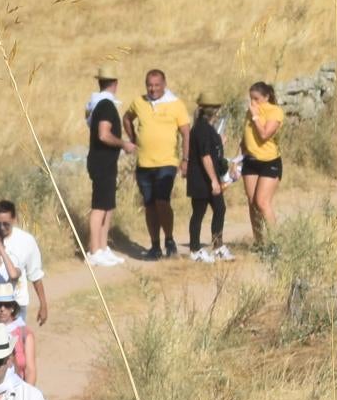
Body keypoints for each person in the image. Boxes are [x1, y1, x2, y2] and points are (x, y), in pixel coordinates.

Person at [121, 66, 192, 260]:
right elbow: (126, 118)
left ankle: (169, 238)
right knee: (149, 204)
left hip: (167, 162)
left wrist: (185, 159)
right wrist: (133, 137)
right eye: (149, 85)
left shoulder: (175, 104)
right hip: (144, 163)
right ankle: (155, 245)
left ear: (164, 85)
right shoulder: (139, 102)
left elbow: (186, 133)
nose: (153, 89)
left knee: (162, 201)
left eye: (157, 85)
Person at [82, 71, 127, 266]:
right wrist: (124, 144)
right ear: (115, 83)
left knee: (108, 205)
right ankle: (94, 250)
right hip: (103, 162)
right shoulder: (106, 105)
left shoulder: (97, 103)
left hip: (104, 161)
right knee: (100, 206)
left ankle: (102, 246)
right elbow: (104, 135)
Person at [238, 80, 286, 249]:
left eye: (256, 98)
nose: (253, 102)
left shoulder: (275, 112)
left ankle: (275, 243)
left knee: (262, 202)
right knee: (252, 202)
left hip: (269, 162)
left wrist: (256, 116)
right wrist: (237, 159)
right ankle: (259, 242)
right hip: (250, 161)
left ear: (266, 97)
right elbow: (245, 138)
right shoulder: (249, 112)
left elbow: (265, 134)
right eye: (251, 98)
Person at [0, 200, 49, 328]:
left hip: (17, 304)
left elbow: (35, 275)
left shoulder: (26, 241)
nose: (2, 228)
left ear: (14, 219)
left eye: (6, 224)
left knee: (16, 344)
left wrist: (43, 305)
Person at [185, 98, 232, 262]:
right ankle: (195, 249)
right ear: (216, 111)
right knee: (198, 213)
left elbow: (211, 152)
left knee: (220, 208)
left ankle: (218, 246)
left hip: (207, 178)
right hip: (201, 179)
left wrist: (219, 141)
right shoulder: (202, 129)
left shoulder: (206, 129)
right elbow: (205, 157)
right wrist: (213, 180)